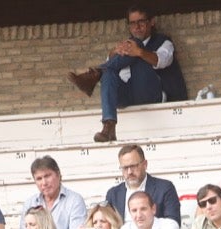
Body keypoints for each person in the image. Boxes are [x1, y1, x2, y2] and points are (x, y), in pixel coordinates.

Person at [68, 6, 187, 145]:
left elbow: (162, 60)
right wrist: (113, 52)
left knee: (135, 44)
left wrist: (139, 52)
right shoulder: (126, 45)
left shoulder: (164, 42)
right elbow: (112, 71)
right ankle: (109, 127)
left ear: (152, 22)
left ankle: (95, 74)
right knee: (108, 73)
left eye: (141, 22)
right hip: (127, 95)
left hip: (151, 92)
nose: (136, 27)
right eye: (132, 23)